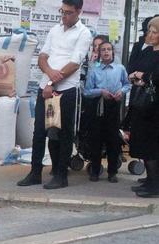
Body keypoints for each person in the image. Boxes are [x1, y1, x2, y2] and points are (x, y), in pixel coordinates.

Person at [17, 0, 92, 189]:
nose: (64, 16)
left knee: (63, 132)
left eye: (68, 12)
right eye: (62, 11)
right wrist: (49, 76)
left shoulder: (84, 33)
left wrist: (52, 81)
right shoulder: (54, 30)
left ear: (78, 12)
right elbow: (42, 56)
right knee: (39, 132)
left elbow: (75, 63)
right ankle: (35, 172)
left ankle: (61, 175)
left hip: (66, 89)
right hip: (46, 87)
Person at [83, 41, 131, 183]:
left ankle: (112, 172)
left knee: (113, 140)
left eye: (108, 49)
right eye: (103, 49)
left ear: (112, 52)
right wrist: (100, 91)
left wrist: (121, 92)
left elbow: (127, 84)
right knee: (96, 140)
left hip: (114, 106)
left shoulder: (120, 68)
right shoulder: (94, 70)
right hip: (98, 107)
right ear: (99, 53)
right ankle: (95, 171)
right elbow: (86, 91)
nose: (106, 52)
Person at [127, 17, 159, 198]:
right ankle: (150, 179)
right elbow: (135, 68)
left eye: (155, 32)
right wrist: (136, 76)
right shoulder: (148, 51)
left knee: (152, 145)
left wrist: (144, 76)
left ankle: (155, 185)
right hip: (142, 103)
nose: (151, 35)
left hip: (154, 107)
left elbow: (154, 76)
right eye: (150, 31)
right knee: (142, 143)